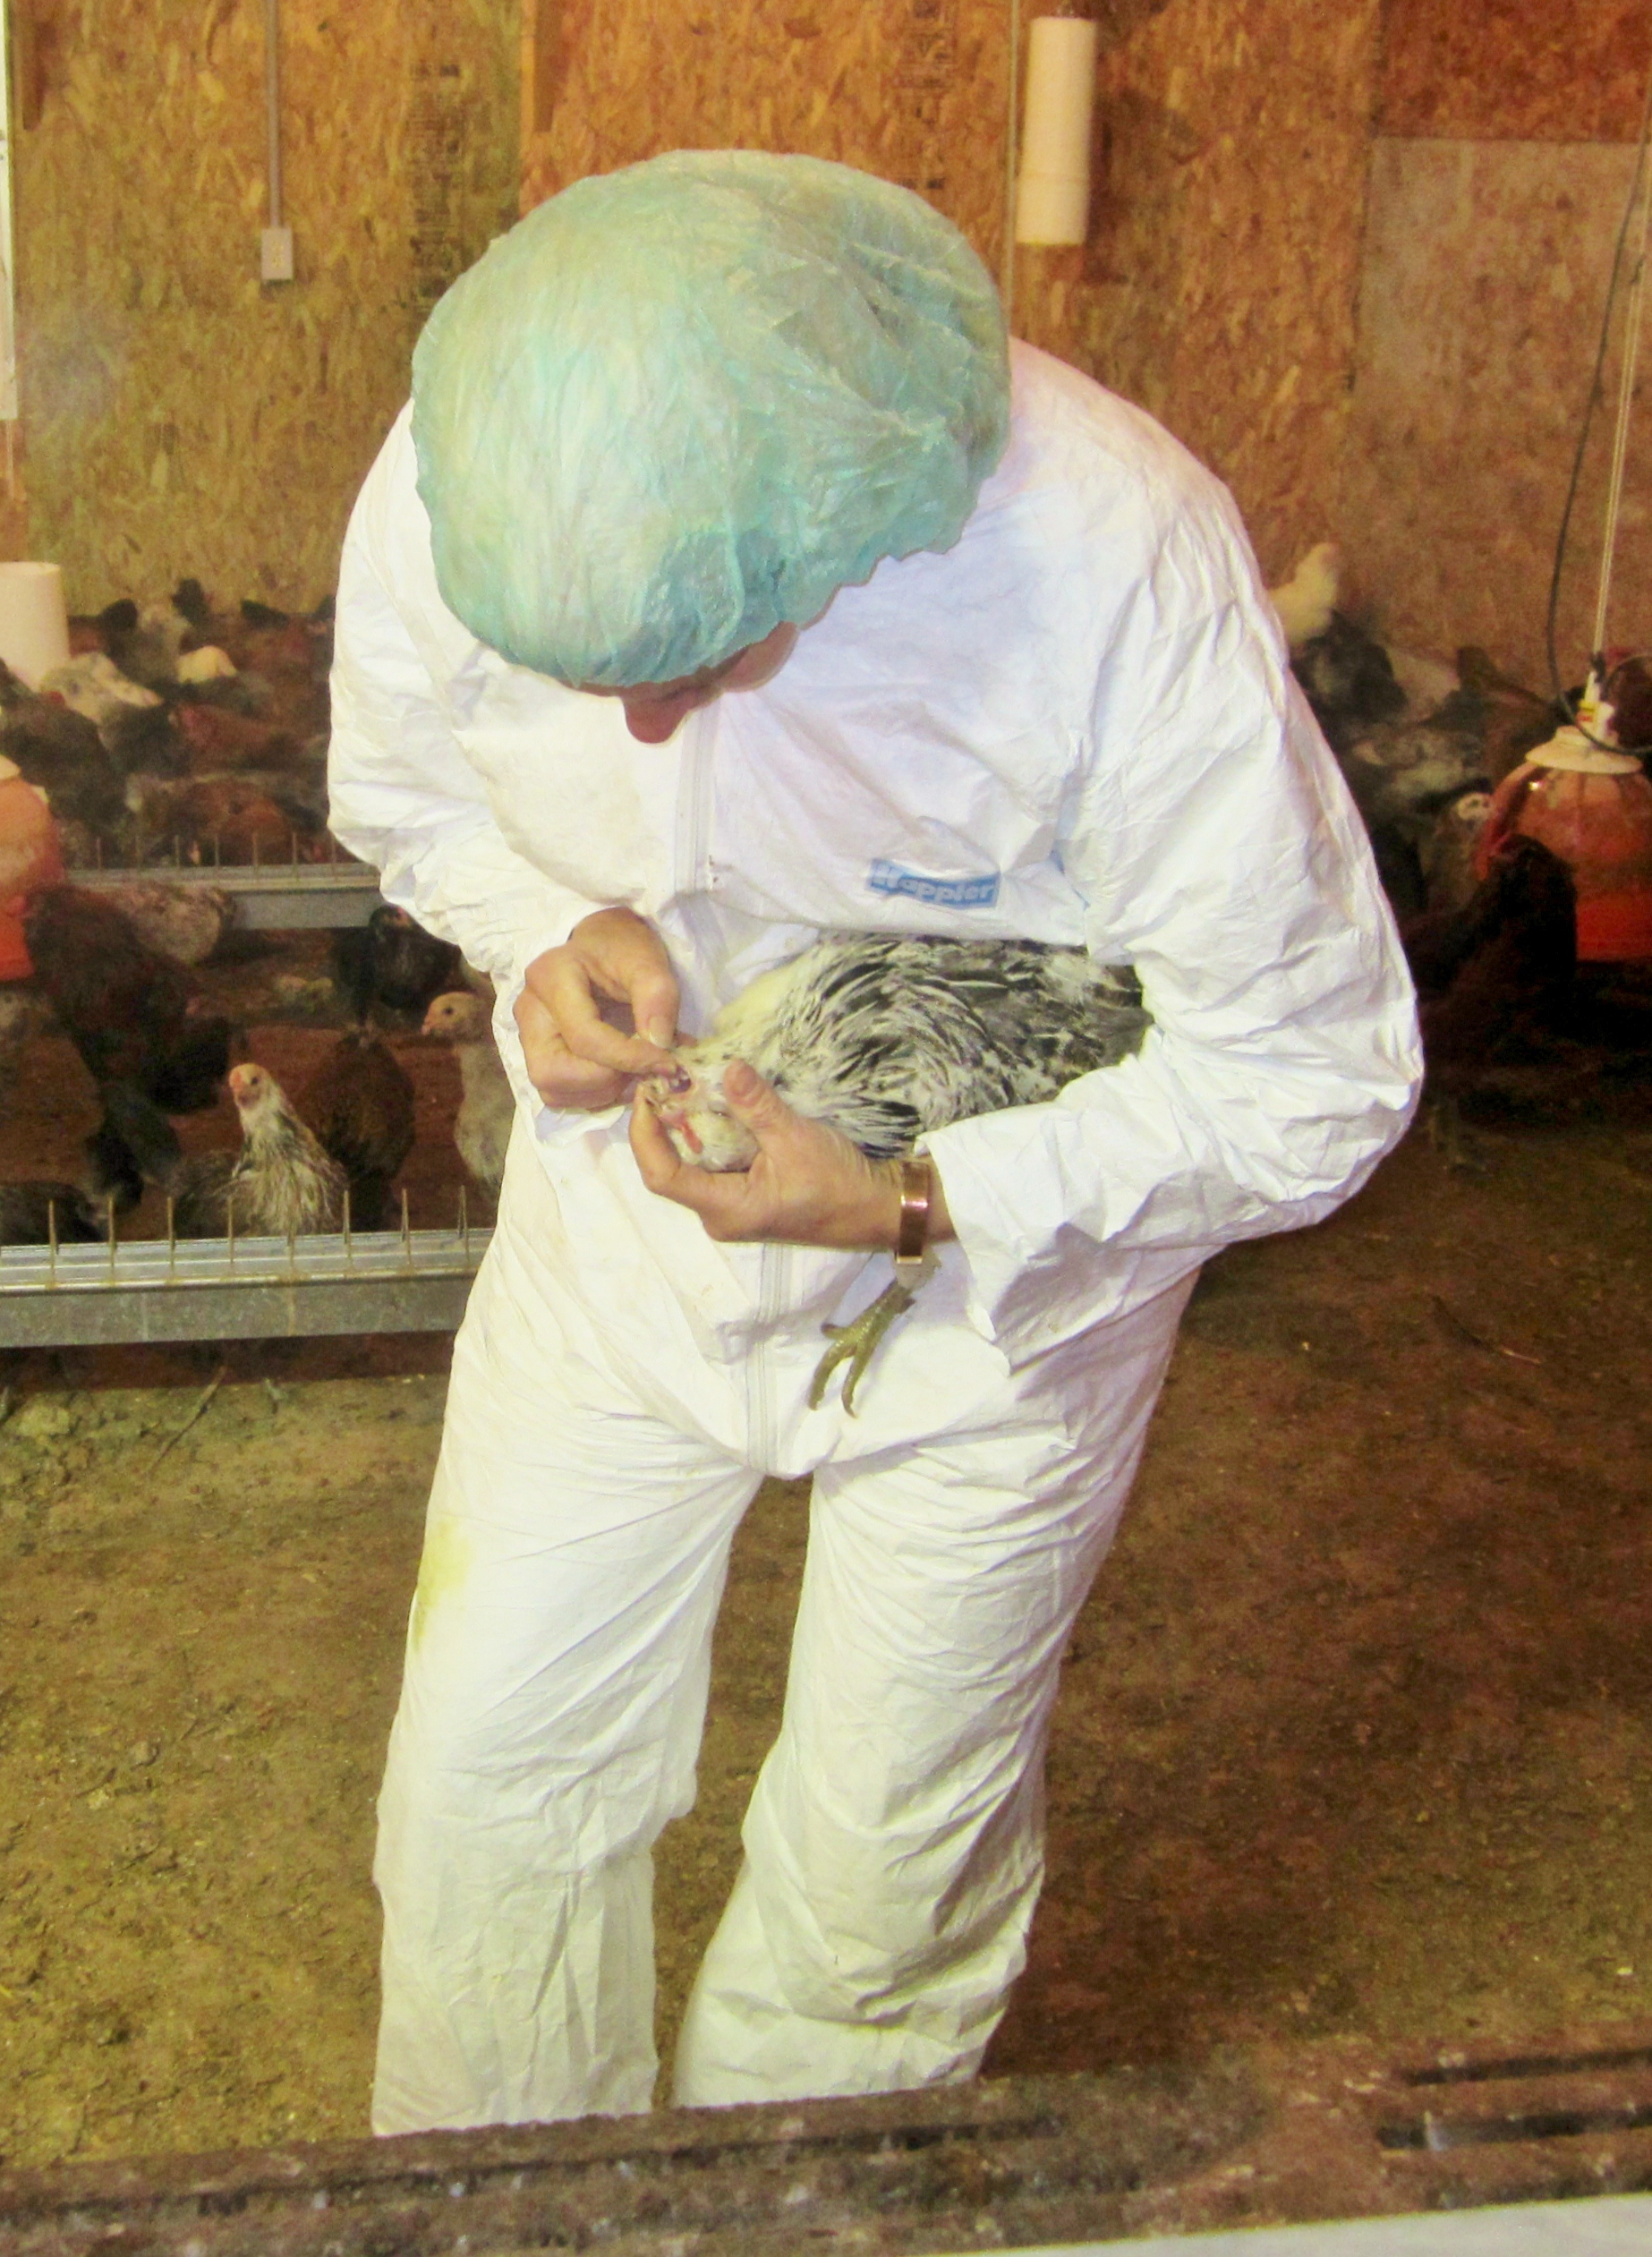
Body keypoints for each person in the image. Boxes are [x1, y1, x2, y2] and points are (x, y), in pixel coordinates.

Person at [328, 149, 1420, 2136]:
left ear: (855, 540)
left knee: (877, 1883)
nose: (641, 729)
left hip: (1001, 1299)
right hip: (619, 1242)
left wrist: (926, 1198)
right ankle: (500, 2209)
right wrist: (545, 934)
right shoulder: (468, 476)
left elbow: (1311, 1071)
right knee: (490, 1783)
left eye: (703, 656)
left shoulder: (1102, 565)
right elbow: (409, 792)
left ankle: (798, 2198)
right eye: (591, 679)